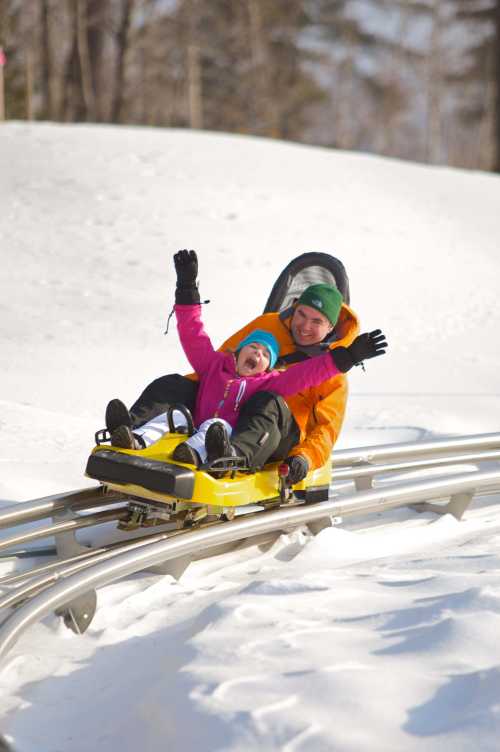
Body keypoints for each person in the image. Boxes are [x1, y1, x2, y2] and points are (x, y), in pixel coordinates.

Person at [102, 250, 387, 482]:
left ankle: (232, 455)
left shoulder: (331, 373)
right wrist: (187, 291)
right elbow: (215, 364)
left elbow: (324, 425)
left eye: (317, 322)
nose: (305, 326)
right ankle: (130, 431)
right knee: (173, 383)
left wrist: (303, 459)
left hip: (274, 436)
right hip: (222, 415)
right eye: (302, 314)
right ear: (295, 305)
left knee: (267, 400)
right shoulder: (267, 327)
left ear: (331, 326)